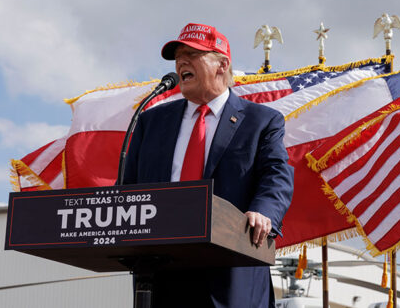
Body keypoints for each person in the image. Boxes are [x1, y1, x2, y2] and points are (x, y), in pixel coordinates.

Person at [123, 23, 294, 308]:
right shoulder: (150, 122)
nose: (181, 63)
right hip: (160, 273)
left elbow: (276, 176)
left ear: (222, 64)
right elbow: (129, 189)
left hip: (230, 272)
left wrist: (263, 212)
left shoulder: (261, 121)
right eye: (178, 57)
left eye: (192, 54)